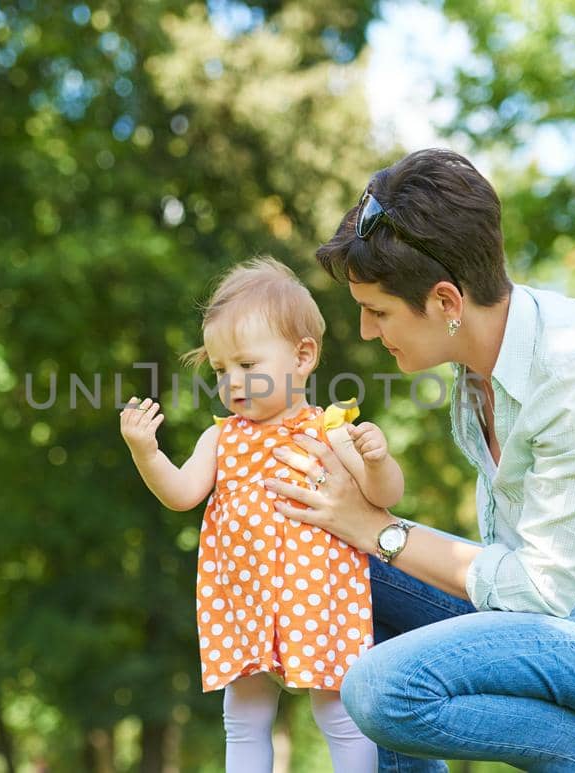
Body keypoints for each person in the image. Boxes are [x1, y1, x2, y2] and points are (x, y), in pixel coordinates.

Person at [258, 149, 575, 773]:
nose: (369, 331)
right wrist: (353, 523)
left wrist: (379, 528)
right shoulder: (475, 377)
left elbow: (540, 588)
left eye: (378, 310)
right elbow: (519, 589)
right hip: (555, 620)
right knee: (345, 567)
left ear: (445, 302)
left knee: (381, 688)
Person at [118, 257, 403, 772]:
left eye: (248, 366)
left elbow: (385, 498)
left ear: (303, 356)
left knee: (340, 710)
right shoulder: (220, 438)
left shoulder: (330, 431)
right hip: (244, 596)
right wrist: (147, 454)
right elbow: (181, 493)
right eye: (223, 370)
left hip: (320, 594)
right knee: (243, 717)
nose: (234, 382)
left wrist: (378, 460)